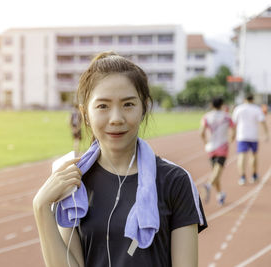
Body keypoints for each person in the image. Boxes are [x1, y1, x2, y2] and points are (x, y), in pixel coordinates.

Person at [33, 52, 207, 267]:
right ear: (84, 113)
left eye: (128, 104)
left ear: (144, 108)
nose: (116, 118)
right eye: (103, 106)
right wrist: (41, 207)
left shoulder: (175, 181)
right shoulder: (73, 183)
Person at [199, 97, 235, 205]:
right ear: (222, 104)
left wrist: (206, 143)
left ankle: (220, 195)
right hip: (222, 146)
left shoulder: (206, 116)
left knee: (216, 171)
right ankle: (209, 186)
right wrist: (231, 138)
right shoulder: (227, 117)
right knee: (217, 170)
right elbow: (233, 129)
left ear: (211, 104)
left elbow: (201, 132)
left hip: (211, 147)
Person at [232, 94, 269, 185]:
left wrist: (232, 135)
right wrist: (266, 133)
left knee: (242, 156)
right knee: (254, 155)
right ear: (252, 99)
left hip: (242, 136)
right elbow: (263, 122)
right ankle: (254, 175)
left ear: (245, 99)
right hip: (253, 136)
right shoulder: (256, 109)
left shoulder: (238, 109)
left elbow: (234, 123)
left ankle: (242, 177)